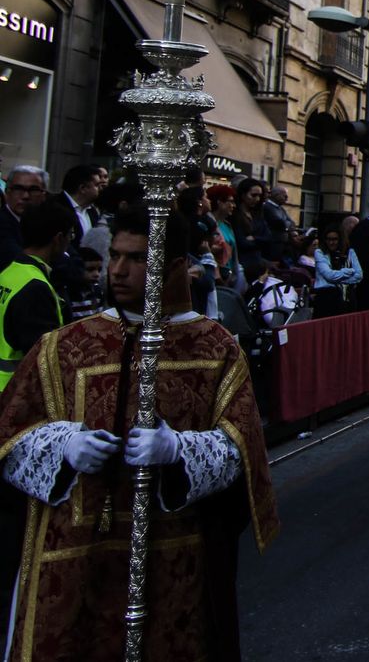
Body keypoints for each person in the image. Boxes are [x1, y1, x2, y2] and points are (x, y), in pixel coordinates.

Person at [0, 208, 277, 661]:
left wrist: (180, 450)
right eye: (115, 255)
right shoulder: (63, 347)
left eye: (136, 258)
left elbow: (241, 450)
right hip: (75, 559)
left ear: (173, 266)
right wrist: (62, 446)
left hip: (174, 558)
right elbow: (9, 436)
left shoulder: (215, 349)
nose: (117, 270)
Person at [0, 201, 76, 391]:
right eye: (70, 235)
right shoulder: (36, 287)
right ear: (59, 238)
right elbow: (43, 360)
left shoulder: (9, 272)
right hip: (15, 395)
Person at [0, 165, 48, 268]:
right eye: (18, 189)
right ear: (7, 192)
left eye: (33, 190)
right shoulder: (2, 224)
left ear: (44, 195)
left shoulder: (49, 220)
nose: (25, 196)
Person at [310, 225, 363, 317]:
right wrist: (349, 271)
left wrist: (337, 279)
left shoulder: (350, 252)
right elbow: (329, 275)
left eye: (334, 239)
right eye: (328, 239)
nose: (331, 242)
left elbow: (359, 275)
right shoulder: (320, 252)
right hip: (325, 296)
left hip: (347, 296)